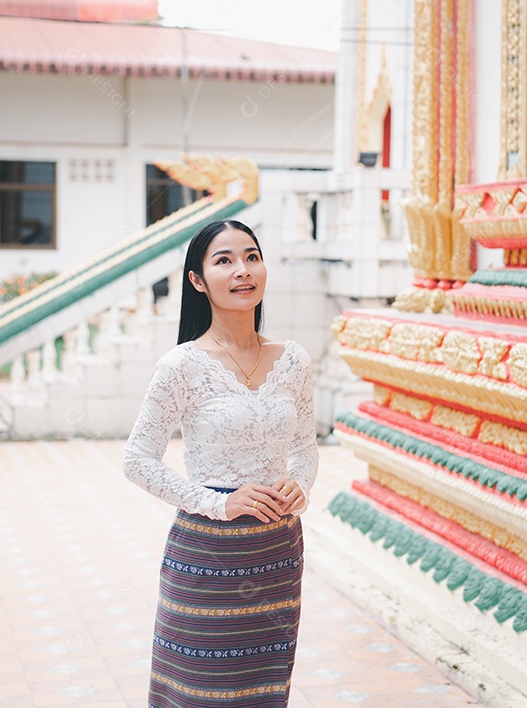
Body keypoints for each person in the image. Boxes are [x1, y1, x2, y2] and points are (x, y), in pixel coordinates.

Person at [123, 219, 318, 708]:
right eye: (224, 260)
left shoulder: (294, 361)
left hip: (276, 551)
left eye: (251, 256)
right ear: (197, 280)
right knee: (199, 690)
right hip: (208, 556)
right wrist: (218, 503)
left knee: (264, 688)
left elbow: (306, 448)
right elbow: (137, 458)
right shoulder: (182, 366)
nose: (242, 271)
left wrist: (300, 485)